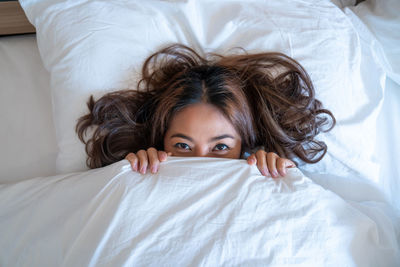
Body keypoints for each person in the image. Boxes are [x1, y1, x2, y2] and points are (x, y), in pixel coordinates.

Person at [76, 44, 335, 178]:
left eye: (220, 147)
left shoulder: (261, 173)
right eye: (183, 146)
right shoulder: (142, 167)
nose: (201, 161)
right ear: (162, 140)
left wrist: (281, 177)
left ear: (244, 145)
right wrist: (132, 171)